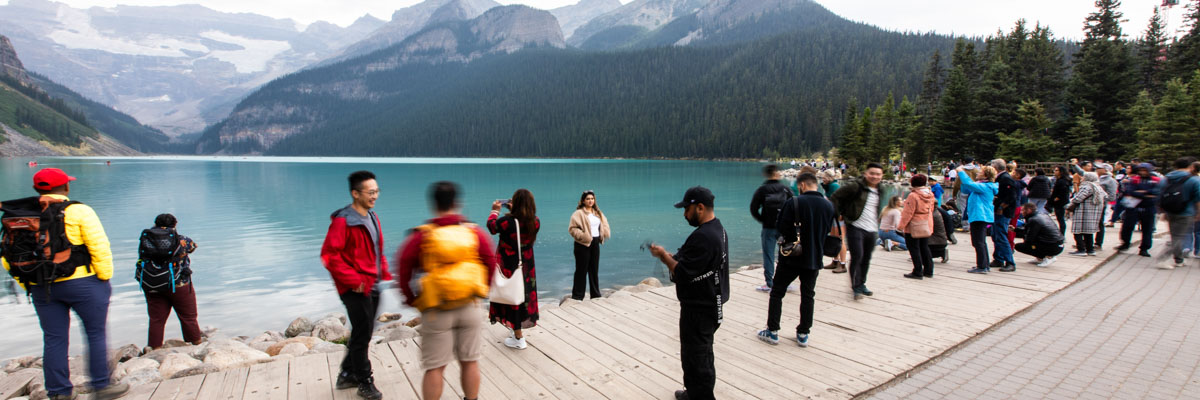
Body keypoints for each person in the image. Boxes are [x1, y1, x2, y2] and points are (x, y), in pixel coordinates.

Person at [1, 168, 129, 400]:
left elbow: (8, 256)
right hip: (84, 283)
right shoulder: (79, 210)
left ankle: (59, 392)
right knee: (95, 334)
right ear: (66, 187)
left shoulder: (20, 214)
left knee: (53, 338)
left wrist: (27, 284)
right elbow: (99, 246)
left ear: (36, 189)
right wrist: (104, 277)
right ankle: (102, 386)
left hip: (41, 285)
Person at [396, 181, 497, 400]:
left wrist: (413, 300)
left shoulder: (422, 236)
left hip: (436, 308)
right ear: (457, 203)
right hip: (470, 304)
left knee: (435, 367)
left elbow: (403, 269)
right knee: (470, 361)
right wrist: (482, 290)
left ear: (433, 205)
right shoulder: (473, 233)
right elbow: (490, 261)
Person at [647, 186, 729, 400]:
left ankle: (701, 396)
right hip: (711, 303)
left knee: (697, 357)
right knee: (701, 354)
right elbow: (690, 260)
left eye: (687, 209)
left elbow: (683, 272)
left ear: (700, 208)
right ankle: (694, 392)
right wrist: (670, 255)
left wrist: (664, 257)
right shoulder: (716, 229)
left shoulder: (704, 237)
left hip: (699, 308)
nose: (684, 214)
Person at [320, 171, 389, 400]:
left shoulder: (372, 216)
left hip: (372, 284)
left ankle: (347, 374)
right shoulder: (343, 221)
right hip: (354, 288)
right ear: (355, 193)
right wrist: (354, 281)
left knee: (364, 332)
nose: (375, 196)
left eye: (376, 191)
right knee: (362, 335)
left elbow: (377, 249)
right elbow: (329, 256)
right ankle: (364, 381)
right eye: (370, 192)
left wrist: (384, 273)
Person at [756, 173, 834, 347]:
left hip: (791, 257)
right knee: (808, 295)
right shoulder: (828, 206)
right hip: (814, 257)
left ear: (803, 185)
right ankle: (803, 333)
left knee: (777, 292)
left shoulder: (794, 203)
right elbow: (827, 229)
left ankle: (773, 331)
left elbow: (781, 227)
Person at [139, 213, 202, 350]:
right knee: (188, 317)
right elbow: (193, 247)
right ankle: (195, 345)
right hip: (178, 284)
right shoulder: (181, 240)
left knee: (156, 319)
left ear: (155, 224)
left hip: (152, 284)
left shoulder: (147, 239)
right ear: (174, 224)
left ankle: (154, 349)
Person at [488, 189, 541, 349]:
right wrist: (514, 212)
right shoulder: (536, 221)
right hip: (527, 266)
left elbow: (492, 227)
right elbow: (520, 225)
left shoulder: (506, 221)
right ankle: (516, 330)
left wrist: (494, 211)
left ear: (515, 203)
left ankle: (519, 338)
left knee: (511, 296)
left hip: (509, 265)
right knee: (522, 296)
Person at [831, 163, 885, 299]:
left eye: (878, 174)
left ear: (881, 175)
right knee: (857, 256)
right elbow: (835, 197)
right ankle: (855, 287)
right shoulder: (855, 186)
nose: (875, 176)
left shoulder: (881, 189)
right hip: (856, 226)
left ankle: (861, 284)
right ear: (866, 173)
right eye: (872, 173)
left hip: (872, 229)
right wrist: (839, 214)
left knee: (866, 258)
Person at [749, 164, 792, 291]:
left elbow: (753, 209)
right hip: (784, 227)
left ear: (766, 174)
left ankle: (769, 283)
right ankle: (784, 281)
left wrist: (763, 220)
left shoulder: (762, 190)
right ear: (776, 173)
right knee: (785, 253)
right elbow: (794, 204)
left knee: (768, 254)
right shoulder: (785, 189)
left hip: (768, 227)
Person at [1156, 157, 1200, 269]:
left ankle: (1179, 259)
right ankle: (1162, 259)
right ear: (1190, 166)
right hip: (1186, 212)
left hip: (1169, 211)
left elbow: (1159, 195)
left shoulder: (1166, 178)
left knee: (1175, 234)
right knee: (1178, 237)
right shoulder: (1194, 180)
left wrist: (1163, 211)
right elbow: (1198, 198)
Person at [568, 190, 611, 300]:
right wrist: (584, 236)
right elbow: (572, 229)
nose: (590, 201)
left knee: (594, 269)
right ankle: (578, 296)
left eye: (592, 198)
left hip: (595, 243)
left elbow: (604, 224)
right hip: (582, 244)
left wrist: (604, 233)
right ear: (583, 201)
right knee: (581, 270)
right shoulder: (578, 213)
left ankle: (595, 295)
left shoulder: (597, 212)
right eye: (588, 199)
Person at [958, 165, 998, 274]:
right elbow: (966, 187)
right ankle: (984, 264)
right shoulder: (982, 185)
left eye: (980, 172)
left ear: (985, 175)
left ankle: (982, 266)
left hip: (980, 216)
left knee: (979, 242)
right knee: (978, 241)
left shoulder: (985, 187)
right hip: (978, 216)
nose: (978, 173)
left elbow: (969, 184)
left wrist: (961, 172)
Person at [1116, 163, 1161, 257]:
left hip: (1149, 207)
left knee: (1147, 229)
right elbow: (1130, 191)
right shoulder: (1134, 180)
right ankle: (1125, 243)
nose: (1143, 172)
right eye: (1141, 170)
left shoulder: (1155, 180)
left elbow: (1157, 192)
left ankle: (1144, 248)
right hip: (1133, 206)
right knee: (1127, 227)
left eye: (1145, 170)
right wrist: (1147, 194)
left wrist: (1141, 193)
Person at [898, 175, 937, 279]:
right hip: (926, 224)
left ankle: (917, 271)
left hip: (914, 225)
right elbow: (932, 209)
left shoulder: (913, 195)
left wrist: (900, 226)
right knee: (924, 247)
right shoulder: (930, 194)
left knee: (914, 248)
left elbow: (908, 213)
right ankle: (929, 270)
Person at [1066, 172, 1106, 257]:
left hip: (1083, 212)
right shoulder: (1098, 187)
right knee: (1088, 232)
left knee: (1078, 231)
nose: (1082, 178)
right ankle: (1090, 250)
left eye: (1084, 177)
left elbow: (1078, 198)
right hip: (1093, 213)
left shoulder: (1086, 187)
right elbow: (1106, 197)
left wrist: (1069, 205)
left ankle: (1081, 249)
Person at [990, 159, 1018, 272]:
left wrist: (1002, 207)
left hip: (1003, 212)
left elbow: (1012, 196)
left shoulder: (1006, 179)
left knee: (1001, 235)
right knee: (995, 234)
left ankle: (1010, 261)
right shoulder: (1002, 178)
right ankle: (998, 258)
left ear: (996, 167)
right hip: (998, 210)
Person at [818, 170, 848, 273]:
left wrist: (841, 213)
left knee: (840, 239)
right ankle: (835, 261)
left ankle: (843, 264)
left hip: (839, 217)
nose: (823, 179)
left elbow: (842, 201)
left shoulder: (834, 186)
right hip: (833, 216)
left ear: (829, 177)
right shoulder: (829, 186)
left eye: (824, 177)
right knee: (834, 239)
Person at [1094, 164, 1118, 251]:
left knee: (1099, 223)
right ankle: (1086, 241)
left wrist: (1101, 198)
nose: (1096, 169)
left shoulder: (1110, 181)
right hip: (1091, 204)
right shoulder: (1096, 178)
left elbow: (1112, 196)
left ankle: (1098, 243)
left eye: (1099, 168)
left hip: (1101, 204)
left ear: (1105, 170)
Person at [1049, 166, 1073, 234]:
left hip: (1060, 202)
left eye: (1057, 170)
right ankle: (1060, 233)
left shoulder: (1062, 181)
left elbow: (1063, 191)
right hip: (1059, 201)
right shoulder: (1060, 180)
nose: (1055, 172)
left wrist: (1057, 198)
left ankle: (1061, 233)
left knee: (1060, 218)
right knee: (1059, 218)